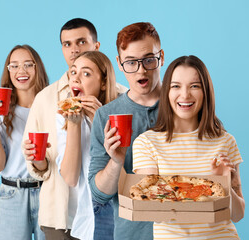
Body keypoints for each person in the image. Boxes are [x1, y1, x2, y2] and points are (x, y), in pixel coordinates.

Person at [22, 18, 127, 239]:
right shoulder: (49, 102)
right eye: (67, 44)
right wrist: (36, 157)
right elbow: (54, 170)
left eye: (80, 42)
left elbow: (134, 166)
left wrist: (101, 119)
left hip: (114, 212)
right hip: (64, 216)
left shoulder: (124, 100)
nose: (74, 50)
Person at [132, 55, 245, 239]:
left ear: (205, 91)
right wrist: (186, 191)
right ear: (166, 92)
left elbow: (238, 215)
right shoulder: (146, 143)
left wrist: (223, 183)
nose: (185, 95)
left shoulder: (226, 141)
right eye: (175, 86)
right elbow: (152, 211)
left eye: (195, 86)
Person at [88, 22, 164, 240]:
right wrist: (116, 161)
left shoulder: (182, 105)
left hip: (184, 233)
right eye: (131, 62)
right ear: (120, 64)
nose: (141, 70)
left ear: (161, 57)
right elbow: (99, 194)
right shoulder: (106, 116)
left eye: (149, 59)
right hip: (131, 234)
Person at [0, 44, 49, 240]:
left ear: (37, 68)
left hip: (48, 193)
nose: (21, 71)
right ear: (8, 71)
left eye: (28, 64)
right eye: (14, 66)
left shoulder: (50, 106)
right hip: (12, 194)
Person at [56, 51, 118, 240]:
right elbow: (70, 178)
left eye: (86, 73)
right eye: (73, 72)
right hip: (87, 218)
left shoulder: (118, 114)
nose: (76, 78)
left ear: (104, 82)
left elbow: (124, 167)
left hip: (117, 212)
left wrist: (101, 121)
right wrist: (74, 125)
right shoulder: (64, 118)